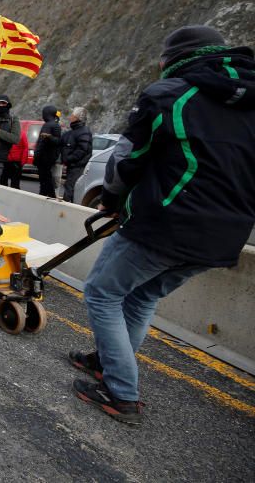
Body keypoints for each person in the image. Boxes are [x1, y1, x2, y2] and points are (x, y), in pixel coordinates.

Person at [71, 25, 255, 425]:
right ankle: (108, 364)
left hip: (165, 223)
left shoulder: (170, 95)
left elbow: (127, 159)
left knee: (102, 294)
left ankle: (121, 393)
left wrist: (114, 200)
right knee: (141, 298)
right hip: (223, 238)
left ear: (173, 59)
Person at [61, 107, 93, 202]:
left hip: (77, 167)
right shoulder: (75, 131)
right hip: (72, 166)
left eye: (72, 115)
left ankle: (65, 211)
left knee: (70, 190)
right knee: (69, 188)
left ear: (77, 118)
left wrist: (68, 159)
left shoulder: (83, 131)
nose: (70, 117)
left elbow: (82, 150)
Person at [34, 105, 63, 198]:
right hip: (50, 157)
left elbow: (41, 143)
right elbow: (58, 141)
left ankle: (49, 196)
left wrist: (36, 155)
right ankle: (45, 195)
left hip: (44, 157)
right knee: (46, 178)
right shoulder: (56, 125)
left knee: (45, 179)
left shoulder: (48, 125)